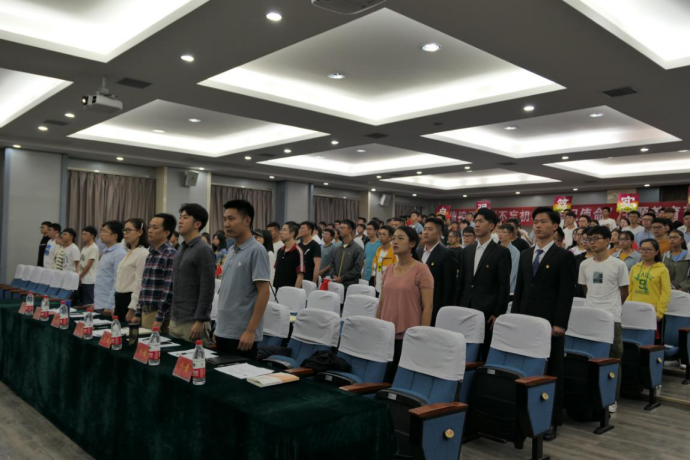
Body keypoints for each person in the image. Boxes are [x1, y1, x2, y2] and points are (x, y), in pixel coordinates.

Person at [512, 207, 575, 440]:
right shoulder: (526, 254)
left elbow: (566, 294)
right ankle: (525, 415)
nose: (537, 226)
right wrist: (515, 319)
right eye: (535, 222)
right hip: (526, 322)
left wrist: (560, 324)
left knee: (552, 371)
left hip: (550, 324)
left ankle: (550, 421)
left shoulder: (564, 256)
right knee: (528, 369)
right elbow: (520, 290)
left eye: (543, 222)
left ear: (555, 226)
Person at [577, 225, 629, 412]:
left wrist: (612, 307)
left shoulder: (618, 265)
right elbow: (586, 288)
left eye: (596, 239)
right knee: (590, 357)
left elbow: (624, 291)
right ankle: (591, 394)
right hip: (591, 316)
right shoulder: (584, 264)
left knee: (613, 357)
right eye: (589, 239)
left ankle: (611, 398)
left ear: (608, 241)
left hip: (611, 317)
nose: (592, 242)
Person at [376, 226, 433, 382]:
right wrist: (377, 327)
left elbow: (428, 307)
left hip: (408, 335)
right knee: (383, 377)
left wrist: (421, 336)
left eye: (400, 238)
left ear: (412, 244)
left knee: (399, 379)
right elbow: (381, 303)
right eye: (393, 238)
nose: (395, 242)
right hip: (387, 333)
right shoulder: (388, 270)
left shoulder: (421, 270)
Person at [215, 200, 271, 359]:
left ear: (247, 221)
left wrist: (250, 331)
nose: (226, 224)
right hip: (224, 330)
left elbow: (264, 292)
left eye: (231, 219)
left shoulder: (257, 250)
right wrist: (219, 327)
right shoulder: (231, 250)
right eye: (225, 219)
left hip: (242, 334)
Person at [455, 209, 511, 357]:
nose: (476, 225)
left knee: (483, 351)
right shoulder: (467, 251)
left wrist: (498, 313)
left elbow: (504, 286)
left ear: (491, 226)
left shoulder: (501, 252)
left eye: (481, 221)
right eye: (475, 222)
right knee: (462, 348)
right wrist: (458, 305)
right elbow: (461, 282)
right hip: (466, 307)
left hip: (487, 310)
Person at [170, 203, 216, 345]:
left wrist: (200, 320)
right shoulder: (181, 248)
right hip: (175, 319)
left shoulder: (203, 249)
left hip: (192, 322)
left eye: (185, 218)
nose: (180, 221)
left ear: (197, 224)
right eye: (180, 217)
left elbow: (207, 288)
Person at [126, 213, 177, 333]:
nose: (149, 230)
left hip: (157, 313)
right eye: (149, 227)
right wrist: (138, 312)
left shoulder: (170, 254)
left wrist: (159, 317)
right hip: (145, 311)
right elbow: (144, 286)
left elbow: (168, 289)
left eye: (155, 228)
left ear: (166, 232)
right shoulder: (151, 253)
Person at [628, 239, 671, 340]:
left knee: (648, 341)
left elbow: (666, 292)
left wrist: (660, 312)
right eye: (642, 249)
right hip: (634, 310)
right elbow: (630, 289)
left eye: (648, 249)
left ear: (656, 252)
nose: (645, 252)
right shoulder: (635, 268)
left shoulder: (662, 269)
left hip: (652, 312)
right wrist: (627, 307)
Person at [418, 217, 457, 325]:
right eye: (424, 229)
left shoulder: (447, 254)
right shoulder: (419, 252)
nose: (426, 232)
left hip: (435, 305)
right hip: (417, 303)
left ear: (439, 234)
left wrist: (444, 310)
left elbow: (449, 286)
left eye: (430, 229)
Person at [113, 218, 149, 319]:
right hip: (119, 298)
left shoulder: (143, 253)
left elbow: (139, 283)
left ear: (139, 232)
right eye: (124, 230)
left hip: (129, 300)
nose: (125, 233)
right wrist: (115, 305)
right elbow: (120, 280)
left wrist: (133, 308)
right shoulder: (129, 252)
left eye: (128, 230)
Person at [93, 221, 127, 312]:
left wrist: (110, 305)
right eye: (101, 231)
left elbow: (117, 281)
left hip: (108, 306)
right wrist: (95, 303)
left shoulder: (119, 254)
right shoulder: (106, 252)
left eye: (104, 231)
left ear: (114, 236)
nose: (101, 234)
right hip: (99, 303)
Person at [332, 219, 365, 290]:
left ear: (350, 229)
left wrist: (342, 278)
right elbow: (332, 264)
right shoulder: (337, 248)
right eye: (340, 228)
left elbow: (357, 269)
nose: (340, 230)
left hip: (350, 286)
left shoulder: (357, 249)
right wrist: (333, 275)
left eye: (343, 228)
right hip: (336, 285)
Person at [274, 222, 305, 290]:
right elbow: (276, 271)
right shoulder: (280, 251)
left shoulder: (298, 251)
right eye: (281, 230)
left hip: (290, 291)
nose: (281, 232)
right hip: (277, 290)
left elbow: (300, 276)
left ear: (292, 233)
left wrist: (294, 292)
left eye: (284, 230)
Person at [371, 225, 397, 295]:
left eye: (384, 234)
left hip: (389, 289)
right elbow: (375, 269)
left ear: (390, 237)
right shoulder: (378, 251)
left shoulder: (394, 253)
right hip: (377, 287)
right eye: (380, 234)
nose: (381, 236)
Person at [78, 226, 100, 305]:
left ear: (92, 236)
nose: (83, 236)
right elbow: (81, 263)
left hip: (90, 280)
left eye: (85, 234)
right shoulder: (84, 248)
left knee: (89, 303)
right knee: (83, 303)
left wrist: (80, 276)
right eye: (82, 234)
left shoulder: (94, 248)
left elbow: (88, 265)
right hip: (83, 279)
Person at [498, 224, 520, 295]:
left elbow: (513, 271)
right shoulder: (495, 249)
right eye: (499, 232)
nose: (500, 234)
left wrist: (503, 287)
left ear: (510, 235)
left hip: (509, 290)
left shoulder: (515, 252)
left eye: (504, 232)